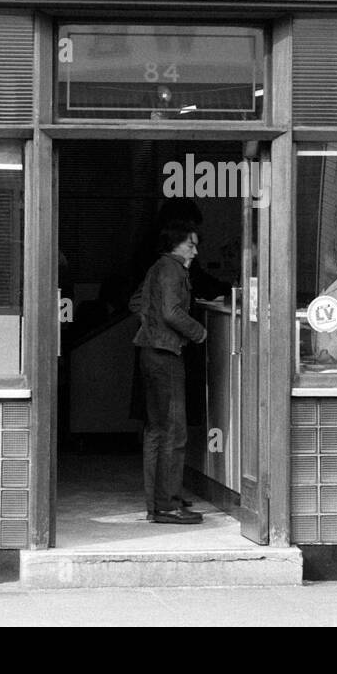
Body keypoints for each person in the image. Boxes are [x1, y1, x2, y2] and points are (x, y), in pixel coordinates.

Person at [132, 221, 208, 525]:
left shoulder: (158, 267)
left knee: (156, 431)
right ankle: (167, 505)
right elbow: (171, 312)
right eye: (190, 244)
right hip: (166, 355)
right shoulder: (173, 269)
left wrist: (150, 325)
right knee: (174, 432)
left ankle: (158, 503)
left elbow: (139, 302)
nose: (195, 250)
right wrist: (199, 331)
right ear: (174, 244)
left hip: (151, 353)